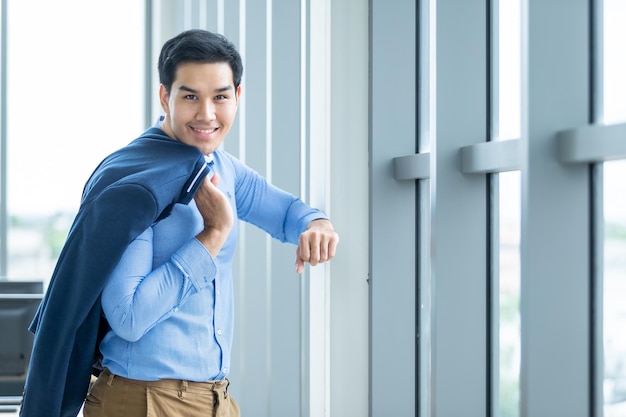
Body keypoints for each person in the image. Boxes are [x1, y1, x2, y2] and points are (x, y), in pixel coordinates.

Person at [19, 29, 338, 417]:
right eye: (190, 96)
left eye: (220, 96)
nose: (206, 114)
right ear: (164, 96)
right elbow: (129, 317)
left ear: (237, 97)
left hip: (214, 399)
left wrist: (317, 223)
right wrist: (212, 235)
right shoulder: (140, 184)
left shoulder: (222, 168)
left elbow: (287, 212)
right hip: (144, 402)